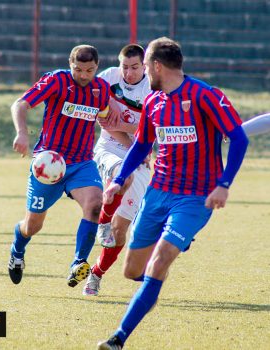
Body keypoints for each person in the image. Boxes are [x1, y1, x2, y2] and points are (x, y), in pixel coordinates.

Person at [97, 37, 249, 349]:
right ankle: (155, 278)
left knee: (160, 260)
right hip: (158, 192)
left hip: (195, 197)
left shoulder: (205, 95)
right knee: (132, 271)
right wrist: (120, 178)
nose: (142, 76)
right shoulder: (153, 102)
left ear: (155, 66)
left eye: (145, 67)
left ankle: (118, 338)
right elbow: (141, 145)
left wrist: (224, 184)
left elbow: (239, 137)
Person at [8, 45, 110, 288]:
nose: (84, 75)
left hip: (82, 162)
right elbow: (20, 104)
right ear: (69, 64)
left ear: (97, 67)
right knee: (32, 225)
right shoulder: (57, 80)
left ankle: (78, 262)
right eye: (78, 69)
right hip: (49, 164)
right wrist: (22, 133)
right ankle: (17, 249)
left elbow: (106, 118)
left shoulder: (102, 89)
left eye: (90, 70)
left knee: (95, 205)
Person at [82, 44, 152, 296]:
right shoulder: (107, 79)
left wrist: (123, 126)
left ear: (144, 66)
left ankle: (96, 274)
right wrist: (127, 133)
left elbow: (151, 133)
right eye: (125, 66)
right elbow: (102, 121)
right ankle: (102, 224)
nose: (129, 72)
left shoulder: (153, 88)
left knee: (120, 230)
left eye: (134, 67)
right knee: (122, 174)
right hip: (109, 147)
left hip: (141, 156)